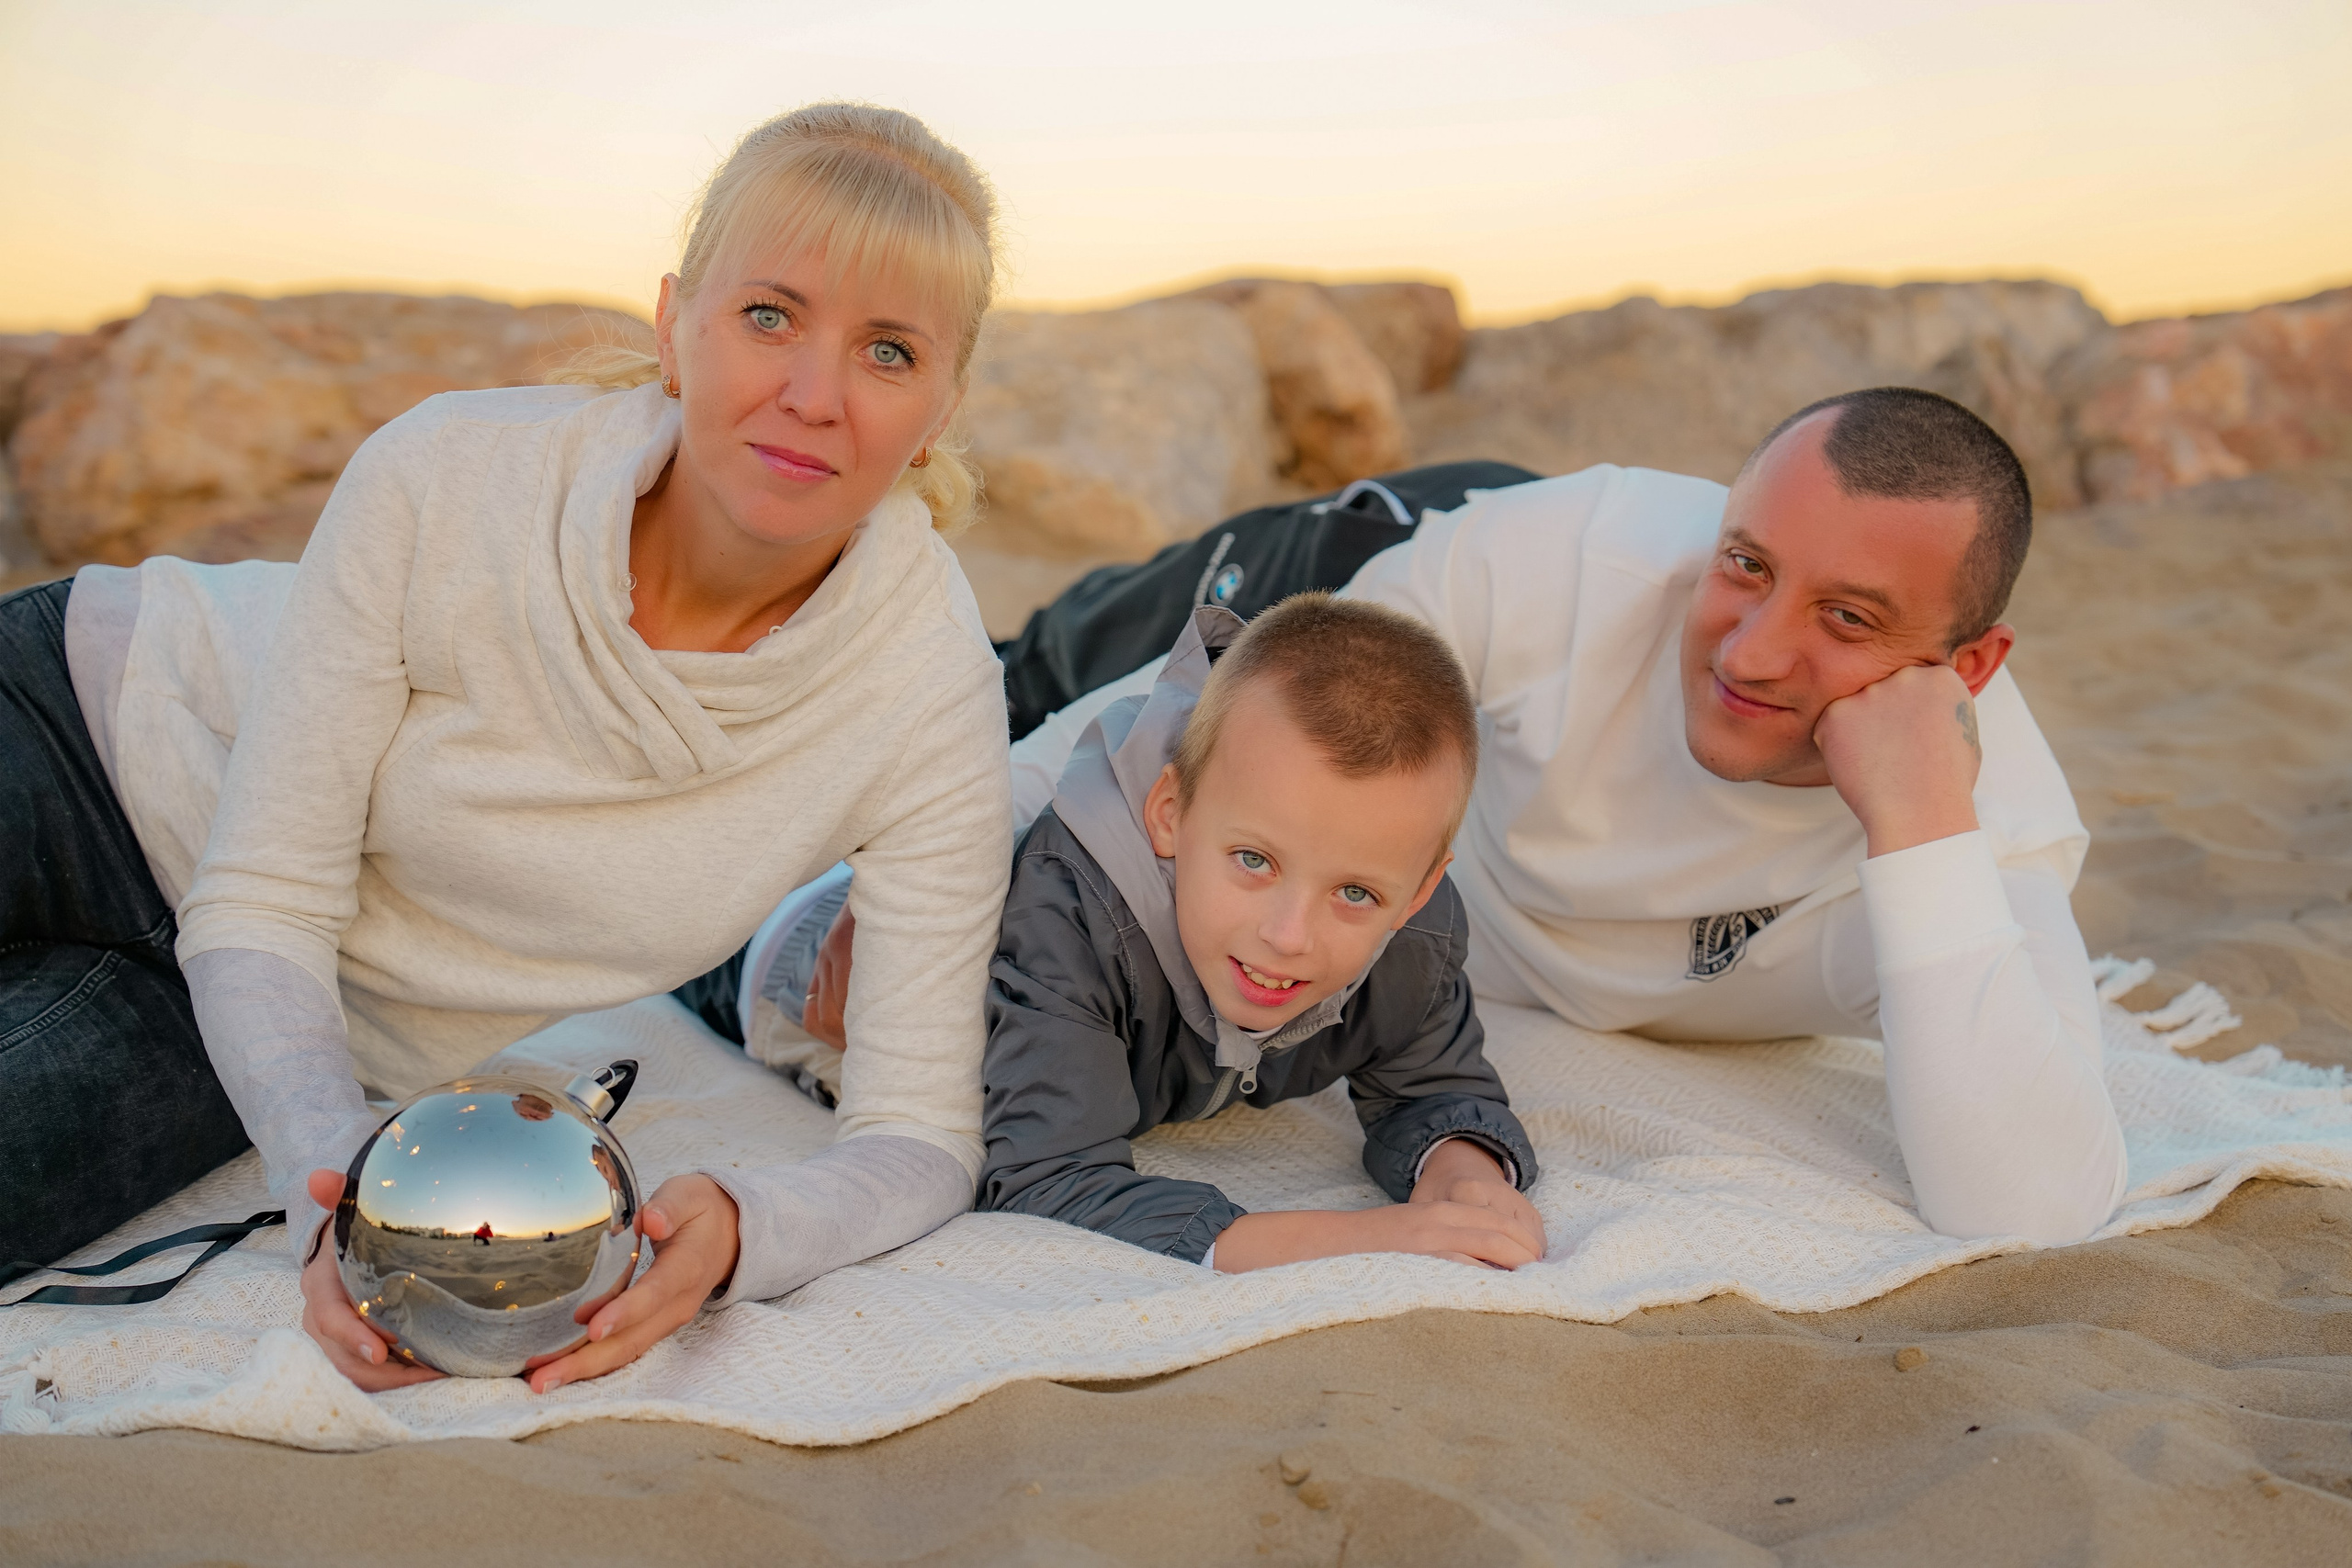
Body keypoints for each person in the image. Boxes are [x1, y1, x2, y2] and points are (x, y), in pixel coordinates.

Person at [0, 103, 1014, 1392]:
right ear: (674, 323)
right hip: (80, 727)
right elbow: (263, 885)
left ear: (940, 403)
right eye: (770, 316)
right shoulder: (451, 473)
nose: (813, 396)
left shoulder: (927, 692)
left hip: (282, 1016)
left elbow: (922, 1132)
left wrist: (747, 1232)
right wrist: (328, 1197)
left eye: (886, 349)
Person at [774, 389, 2131, 1247]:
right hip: (1335, 611)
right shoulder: (1576, 556)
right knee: (1022, 673)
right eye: (1747, 565)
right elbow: (1150, 719)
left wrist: (1915, 822)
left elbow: (2028, 1205)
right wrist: (897, 892)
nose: (1755, 653)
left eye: (1847, 618)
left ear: (1969, 668)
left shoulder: (1977, 828)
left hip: (1421, 823)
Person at [978, 595, 1543, 1270]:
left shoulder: (1412, 944)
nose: (1288, 934)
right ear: (1170, 812)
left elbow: (1438, 1086)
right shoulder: (1071, 912)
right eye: (1255, 860)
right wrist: (1367, 1237)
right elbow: (1046, 1178)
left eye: (1355, 893)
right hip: (843, 952)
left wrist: (1462, 1171)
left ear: (1417, 892)